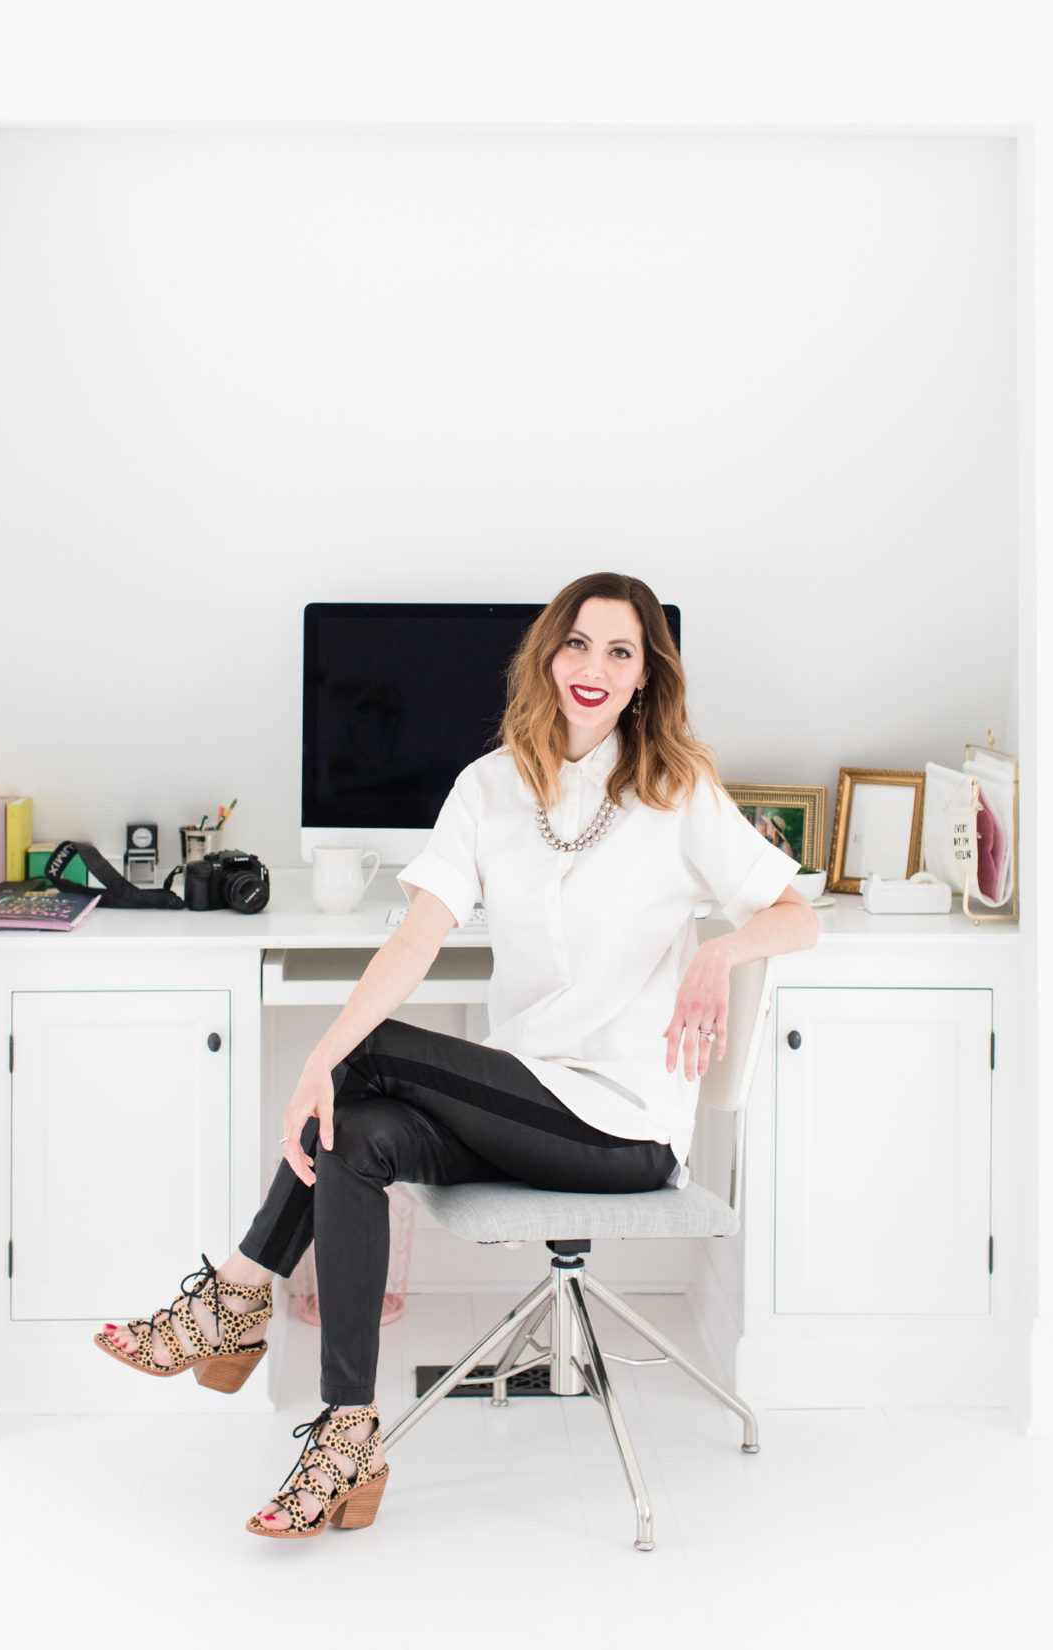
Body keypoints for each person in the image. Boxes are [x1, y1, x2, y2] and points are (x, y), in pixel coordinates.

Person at [96, 571, 820, 1540]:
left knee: (370, 1056)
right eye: (577, 643)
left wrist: (721, 952)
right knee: (355, 1132)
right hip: (522, 1106)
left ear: (646, 675)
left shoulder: (676, 790)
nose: (594, 667)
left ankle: (234, 1294)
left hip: (622, 1129)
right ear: (545, 654)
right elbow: (414, 938)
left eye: (620, 650)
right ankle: (347, 1430)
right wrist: (327, 1068)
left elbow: (793, 914)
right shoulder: (486, 789)